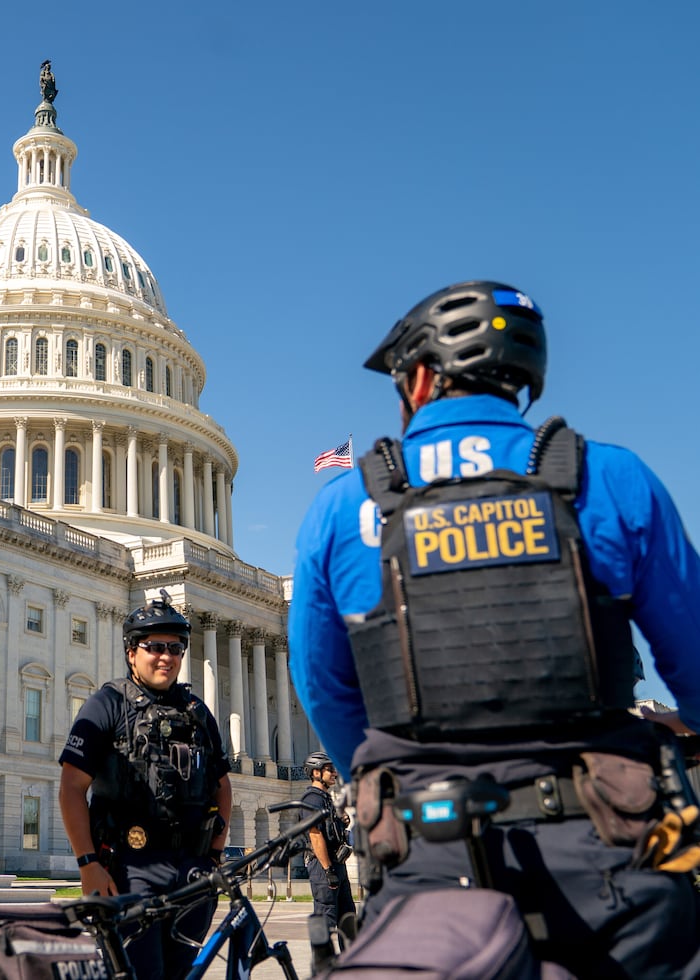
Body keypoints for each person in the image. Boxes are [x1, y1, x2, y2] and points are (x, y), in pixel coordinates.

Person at [289, 281, 700, 977]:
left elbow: (326, 693)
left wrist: (397, 769)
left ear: (419, 378)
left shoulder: (343, 507)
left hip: (427, 852)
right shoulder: (610, 478)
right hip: (613, 848)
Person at [59, 591, 233, 980]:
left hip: (192, 868)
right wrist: (88, 864)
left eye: (175, 647)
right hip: (130, 867)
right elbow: (71, 788)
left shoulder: (197, 712)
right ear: (131, 652)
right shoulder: (107, 704)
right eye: (153, 646)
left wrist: (215, 855)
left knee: (182, 973)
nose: (166, 657)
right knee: (141, 974)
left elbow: (221, 784)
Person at [302, 751, 356, 949]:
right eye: (329, 769)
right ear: (316, 772)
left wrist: (342, 823)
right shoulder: (312, 799)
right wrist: (327, 869)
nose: (334, 773)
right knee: (326, 918)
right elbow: (315, 835)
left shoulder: (325, 798)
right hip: (324, 867)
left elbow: (330, 830)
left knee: (348, 919)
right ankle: (323, 964)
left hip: (336, 865)